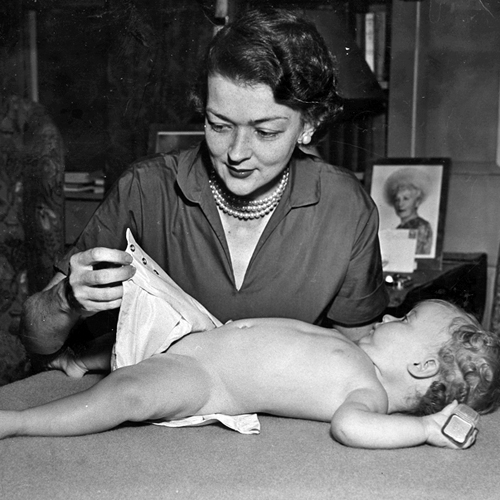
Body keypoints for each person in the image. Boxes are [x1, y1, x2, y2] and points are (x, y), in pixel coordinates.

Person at [20, 8, 388, 372]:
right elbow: (36, 339)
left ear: (309, 124)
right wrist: (66, 299)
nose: (237, 153)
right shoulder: (147, 190)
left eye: (266, 132)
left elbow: (361, 357)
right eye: (219, 125)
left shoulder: (345, 206)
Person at [3, 277, 500, 448]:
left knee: (127, 394)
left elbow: (352, 429)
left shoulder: (365, 394)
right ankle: (77, 361)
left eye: (406, 318)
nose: (391, 313)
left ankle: (21, 422)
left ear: (421, 369)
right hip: (198, 336)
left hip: (204, 377)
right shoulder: (357, 352)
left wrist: (428, 429)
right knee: (126, 326)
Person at [384, 169, 433, 255]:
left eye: (406, 198)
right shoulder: (398, 228)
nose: (400, 204)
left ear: (417, 202)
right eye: (397, 200)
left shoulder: (422, 226)